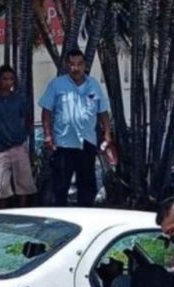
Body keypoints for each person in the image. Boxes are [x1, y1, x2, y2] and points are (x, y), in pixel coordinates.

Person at [39, 49, 111, 206]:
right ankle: (61, 221)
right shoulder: (57, 84)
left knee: (87, 186)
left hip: (87, 143)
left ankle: (85, 216)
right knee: (61, 186)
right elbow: (46, 111)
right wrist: (47, 135)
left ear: (85, 65)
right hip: (64, 144)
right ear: (67, 66)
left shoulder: (93, 85)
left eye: (79, 64)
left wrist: (107, 135)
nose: (75, 68)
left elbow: (103, 111)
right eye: (72, 64)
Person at [0, 65, 36, 208]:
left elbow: (27, 118)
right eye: (4, 79)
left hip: (18, 145)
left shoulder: (18, 99)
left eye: (11, 79)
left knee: (24, 183)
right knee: (2, 185)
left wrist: (23, 135)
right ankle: (3, 212)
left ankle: (23, 211)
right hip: (0, 147)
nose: (8, 82)